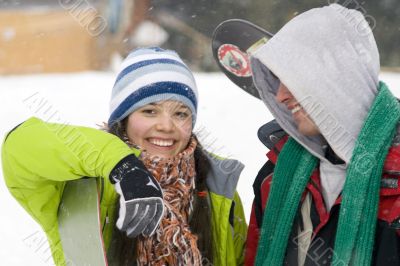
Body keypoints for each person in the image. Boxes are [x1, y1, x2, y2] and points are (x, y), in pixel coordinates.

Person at [2, 47, 247, 265]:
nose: (166, 126)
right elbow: (19, 145)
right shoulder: (82, 184)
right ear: (123, 120)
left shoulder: (218, 188)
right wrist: (123, 167)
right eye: (150, 111)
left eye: (181, 113)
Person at [239, 4, 400, 266]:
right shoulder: (276, 175)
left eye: (293, 78)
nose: (280, 96)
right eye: (277, 80)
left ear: (335, 77)